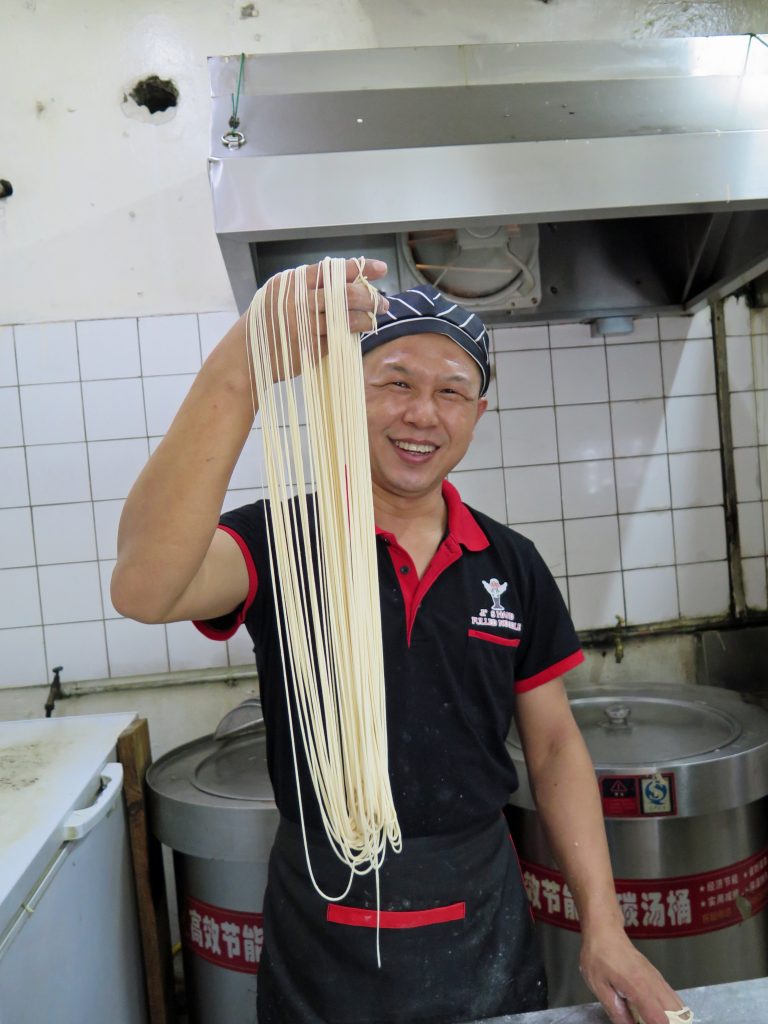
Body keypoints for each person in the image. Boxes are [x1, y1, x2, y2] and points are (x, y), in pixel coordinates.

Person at [113, 258, 684, 1024]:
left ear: (478, 415)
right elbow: (144, 587)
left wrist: (604, 927)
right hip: (326, 908)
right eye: (396, 383)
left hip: (479, 903)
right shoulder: (285, 539)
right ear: (348, 394)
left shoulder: (509, 564)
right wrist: (241, 369)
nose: (424, 413)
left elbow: (552, 748)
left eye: (452, 392)